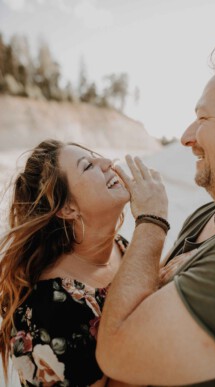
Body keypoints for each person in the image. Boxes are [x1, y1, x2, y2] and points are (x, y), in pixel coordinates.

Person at [96, 13, 215, 387]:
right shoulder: (205, 215)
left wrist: (151, 221)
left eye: (203, 117)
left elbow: (117, 350)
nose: (186, 137)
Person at [0, 139, 134, 386]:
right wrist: (152, 226)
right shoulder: (52, 305)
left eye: (96, 156)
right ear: (68, 208)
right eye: (87, 166)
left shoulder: (121, 247)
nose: (106, 163)